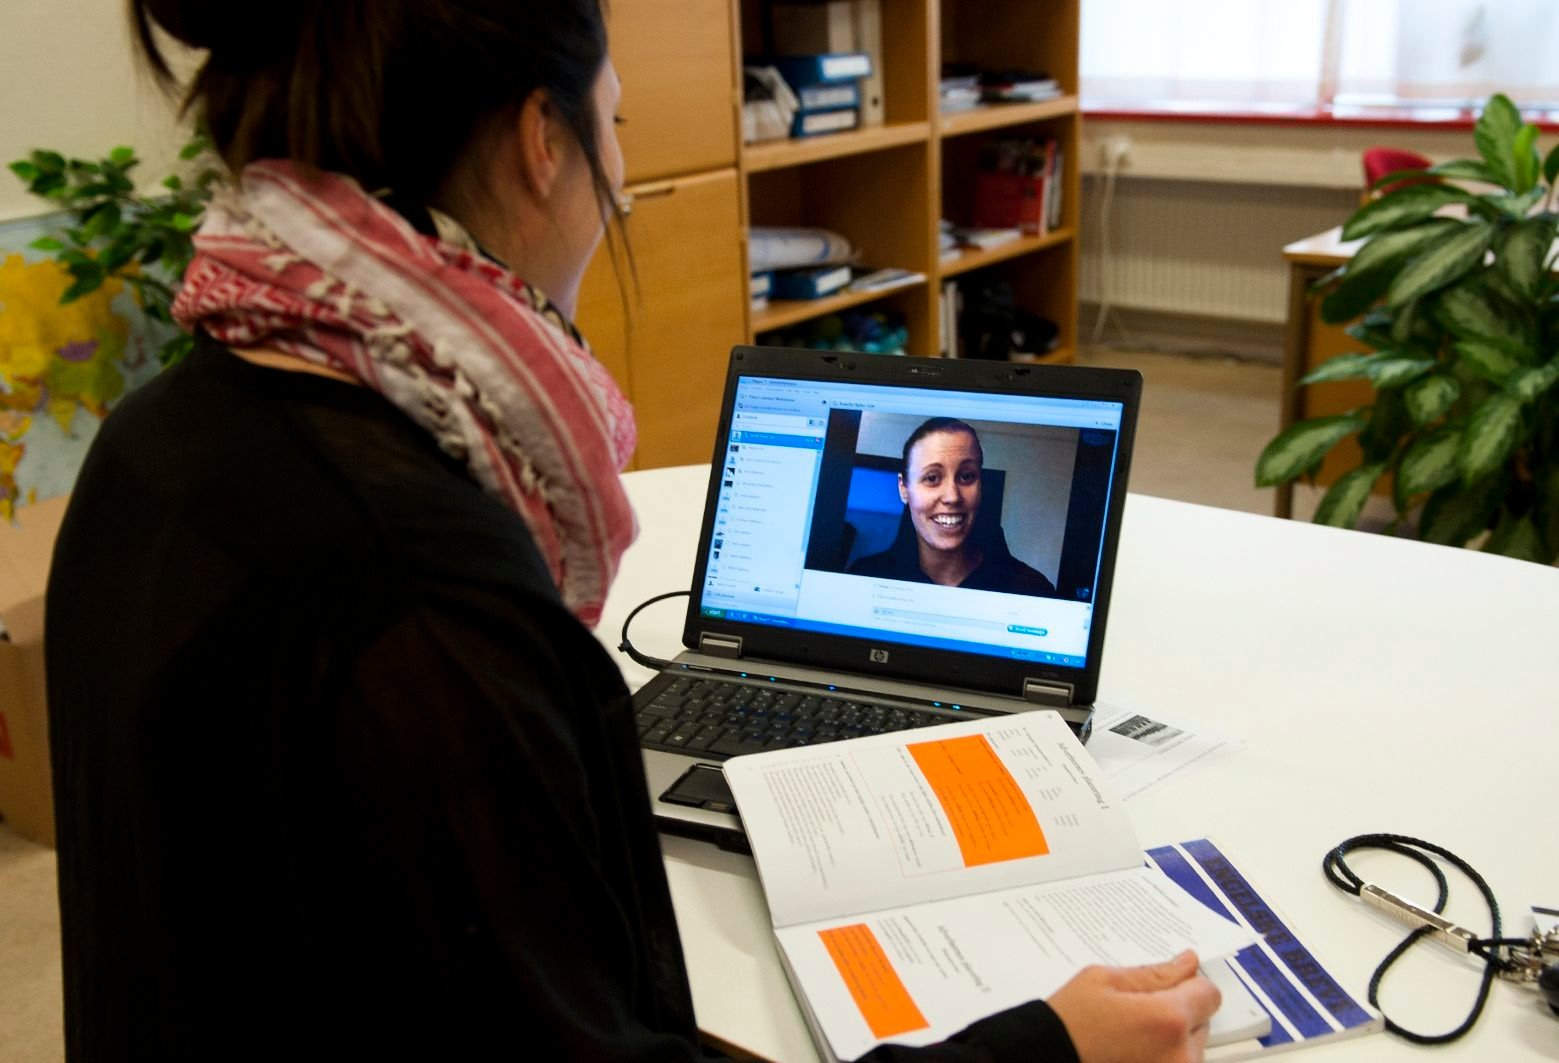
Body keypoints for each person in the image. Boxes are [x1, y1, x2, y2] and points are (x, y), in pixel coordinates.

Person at [43, 1, 1219, 1060]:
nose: (617, 173)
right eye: (612, 125)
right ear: (540, 142)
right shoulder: (424, 598)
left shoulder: (155, 439)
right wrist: (1049, 1049)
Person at [848, 417, 1059, 596]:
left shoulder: (1032, 589)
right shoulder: (863, 578)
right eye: (932, 478)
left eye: (967, 476)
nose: (952, 497)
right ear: (904, 488)